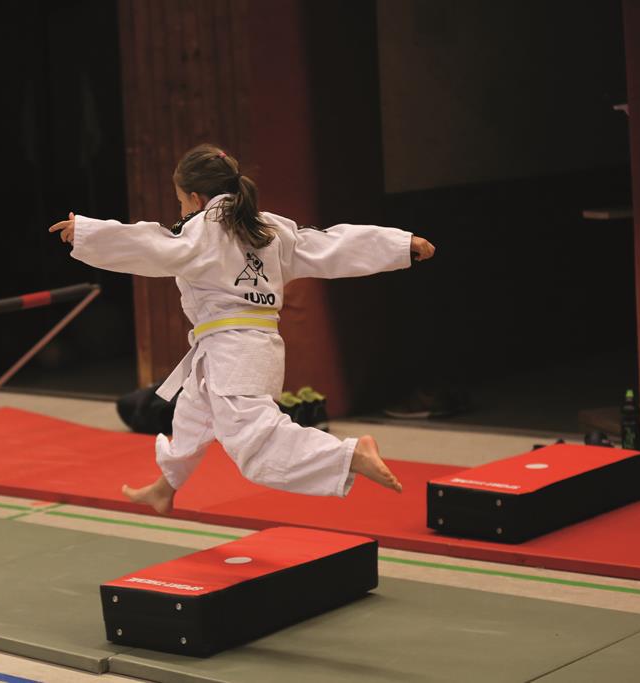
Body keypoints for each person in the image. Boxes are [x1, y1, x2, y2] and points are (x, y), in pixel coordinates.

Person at [49, 144, 435, 514]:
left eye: (181, 202)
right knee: (193, 414)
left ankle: (348, 456)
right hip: (251, 346)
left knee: (255, 449)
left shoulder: (203, 230)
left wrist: (87, 233)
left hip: (232, 352)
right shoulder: (267, 227)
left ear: (196, 198)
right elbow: (330, 245)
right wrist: (400, 244)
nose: (181, 210)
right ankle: (164, 489)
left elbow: (151, 244)